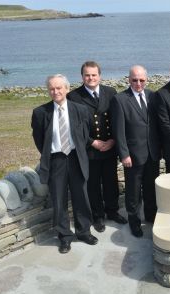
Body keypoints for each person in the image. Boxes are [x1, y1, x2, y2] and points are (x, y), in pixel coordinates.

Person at [31, 74, 97, 254]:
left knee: (81, 197)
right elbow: (39, 140)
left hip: (76, 158)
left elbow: (85, 134)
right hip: (56, 160)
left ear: (67, 89)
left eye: (59, 88)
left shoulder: (81, 110)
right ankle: (65, 237)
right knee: (58, 200)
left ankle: (84, 232)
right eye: (52, 88)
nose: (56, 91)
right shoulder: (40, 113)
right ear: (48, 90)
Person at [67, 61, 127, 233]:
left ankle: (112, 211)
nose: (91, 78)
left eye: (94, 75)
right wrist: (92, 142)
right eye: (87, 75)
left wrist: (113, 140)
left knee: (111, 182)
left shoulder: (111, 92)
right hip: (90, 149)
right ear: (82, 77)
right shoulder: (74, 97)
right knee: (93, 185)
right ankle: (98, 216)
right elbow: (74, 127)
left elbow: (117, 120)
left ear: (99, 76)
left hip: (110, 146)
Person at [111, 65, 161, 237]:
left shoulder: (153, 96)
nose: (138, 83)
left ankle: (151, 216)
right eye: (134, 80)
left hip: (152, 153)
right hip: (132, 155)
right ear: (128, 79)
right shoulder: (120, 99)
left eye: (141, 80)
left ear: (146, 79)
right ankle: (134, 222)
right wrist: (124, 154)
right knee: (133, 193)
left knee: (150, 189)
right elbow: (119, 130)